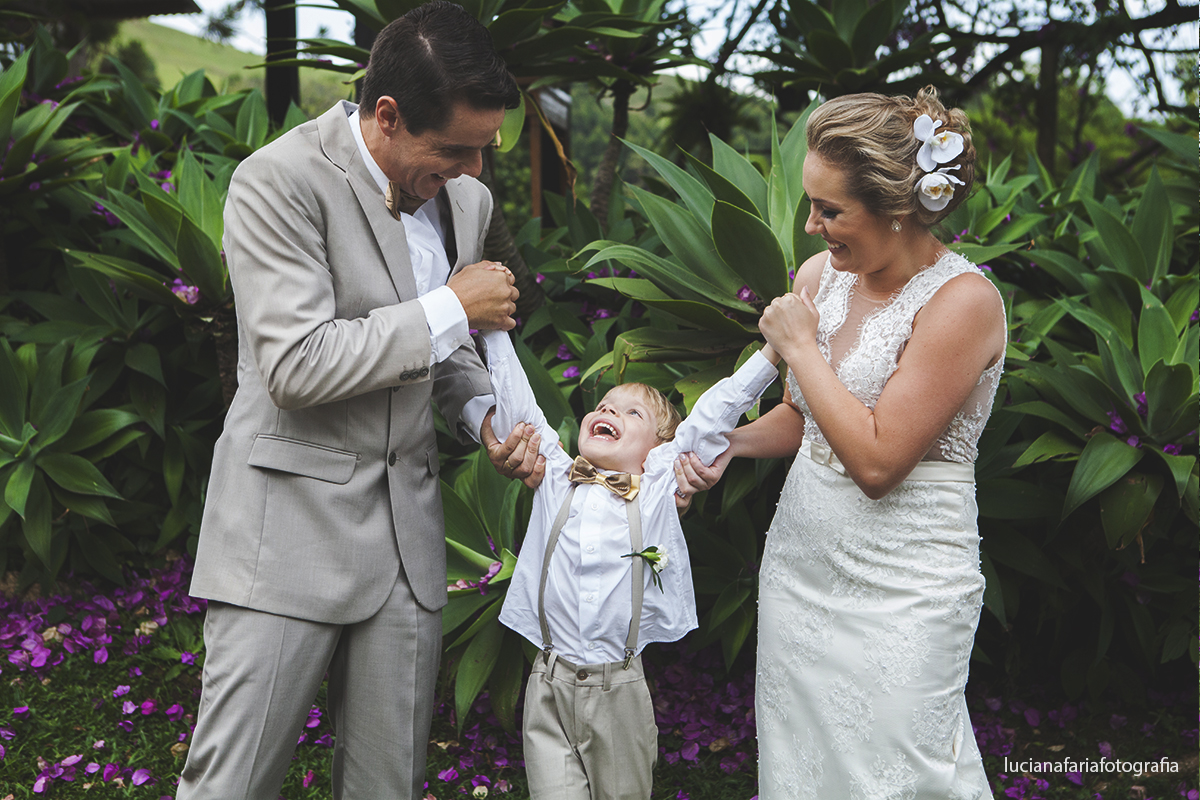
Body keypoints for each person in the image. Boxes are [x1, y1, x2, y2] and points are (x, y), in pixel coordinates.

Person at [177, 4, 546, 798]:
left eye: (485, 149)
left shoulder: (467, 203)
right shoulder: (276, 181)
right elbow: (297, 365)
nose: (474, 171)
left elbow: (436, 357)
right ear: (387, 115)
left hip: (409, 555)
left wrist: (485, 417)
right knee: (229, 786)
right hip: (286, 538)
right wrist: (453, 306)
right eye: (454, 149)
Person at [699, 88, 1007, 798]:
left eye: (830, 210)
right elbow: (805, 419)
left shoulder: (963, 303)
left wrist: (801, 348)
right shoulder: (820, 279)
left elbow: (877, 461)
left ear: (898, 208)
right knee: (803, 764)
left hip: (906, 585)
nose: (811, 228)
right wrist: (730, 445)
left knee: (900, 772)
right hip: (803, 567)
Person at [480, 329, 780, 800]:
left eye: (630, 412)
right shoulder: (558, 476)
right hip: (547, 680)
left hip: (616, 688)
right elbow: (518, 403)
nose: (607, 411)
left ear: (658, 447)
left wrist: (772, 354)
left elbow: (714, 413)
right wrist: (494, 333)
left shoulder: (660, 484)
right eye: (603, 406)